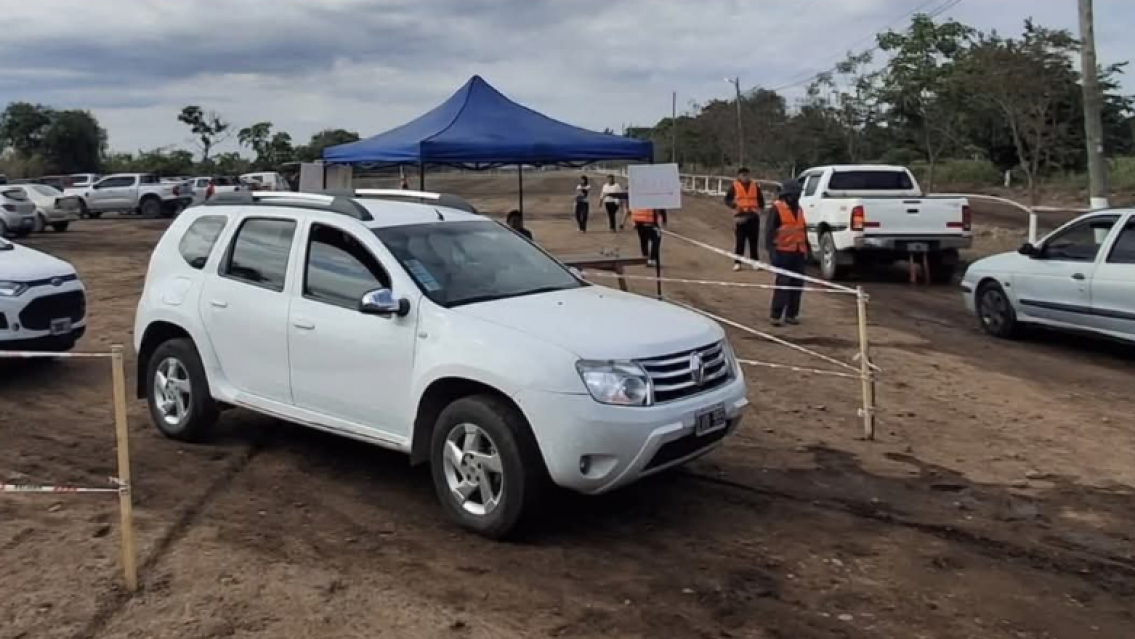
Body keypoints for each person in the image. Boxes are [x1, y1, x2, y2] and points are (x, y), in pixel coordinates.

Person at [766, 179, 808, 327]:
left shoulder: (800, 209)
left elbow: (803, 230)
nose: (798, 196)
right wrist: (772, 253)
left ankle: (791, 315)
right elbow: (769, 233)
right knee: (783, 284)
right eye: (796, 193)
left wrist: (806, 250)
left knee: (797, 285)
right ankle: (776, 315)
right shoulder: (777, 209)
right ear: (788, 194)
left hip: (798, 252)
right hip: (783, 252)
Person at [723, 167, 766, 271]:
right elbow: (727, 199)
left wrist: (761, 209)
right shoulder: (734, 186)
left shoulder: (755, 186)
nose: (745, 177)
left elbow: (761, 200)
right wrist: (733, 205)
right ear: (739, 176)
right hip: (741, 217)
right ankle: (737, 262)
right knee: (740, 241)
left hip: (753, 216)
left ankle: (754, 262)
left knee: (753, 241)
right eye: (743, 175)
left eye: (747, 175)